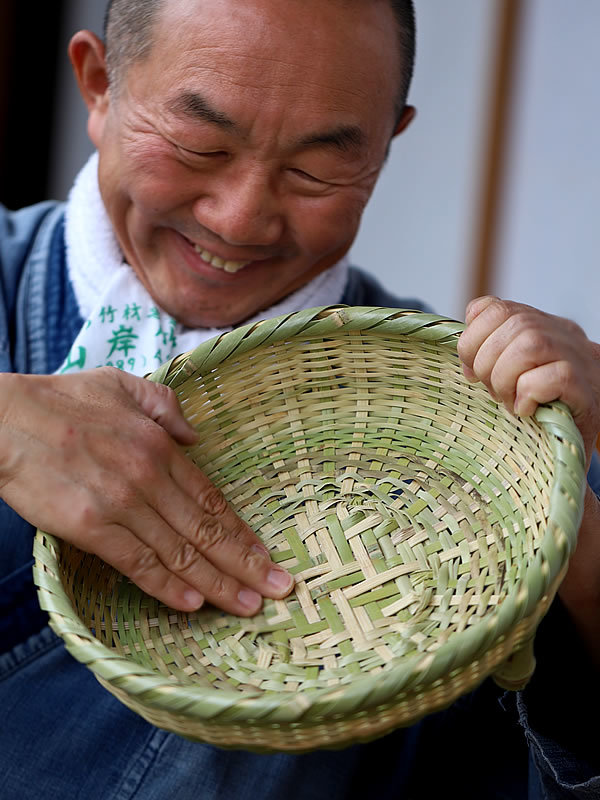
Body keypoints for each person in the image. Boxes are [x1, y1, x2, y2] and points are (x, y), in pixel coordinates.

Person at [1, 0, 599, 797]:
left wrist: (571, 523)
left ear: (387, 147)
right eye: (200, 144)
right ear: (99, 84)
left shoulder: (469, 421)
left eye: (315, 170)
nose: (241, 217)